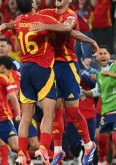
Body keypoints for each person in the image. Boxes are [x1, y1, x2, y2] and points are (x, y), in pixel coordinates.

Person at [0, 0, 73, 164]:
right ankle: (44, 149)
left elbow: (14, 24)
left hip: (25, 70)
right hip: (43, 68)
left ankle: (21, 153)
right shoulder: (43, 19)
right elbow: (67, 28)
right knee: (49, 112)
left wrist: (5, 25)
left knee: (26, 116)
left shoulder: (18, 21)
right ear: (33, 6)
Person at [36, 1, 98, 164]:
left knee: (72, 110)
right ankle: (58, 150)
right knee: (55, 108)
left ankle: (89, 144)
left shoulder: (71, 15)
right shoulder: (47, 12)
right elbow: (30, 19)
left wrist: (45, 26)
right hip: (52, 66)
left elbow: (67, 29)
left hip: (68, 66)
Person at [83, 45, 116, 165]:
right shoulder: (99, 74)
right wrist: (84, 93)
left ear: (109, 55)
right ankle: (102, 162)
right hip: (107, 112)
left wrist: (109, 74)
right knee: (101, 140)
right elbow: (97, 92)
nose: (103, 55)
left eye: (105, 53)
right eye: (100, 54)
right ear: (97, 57)